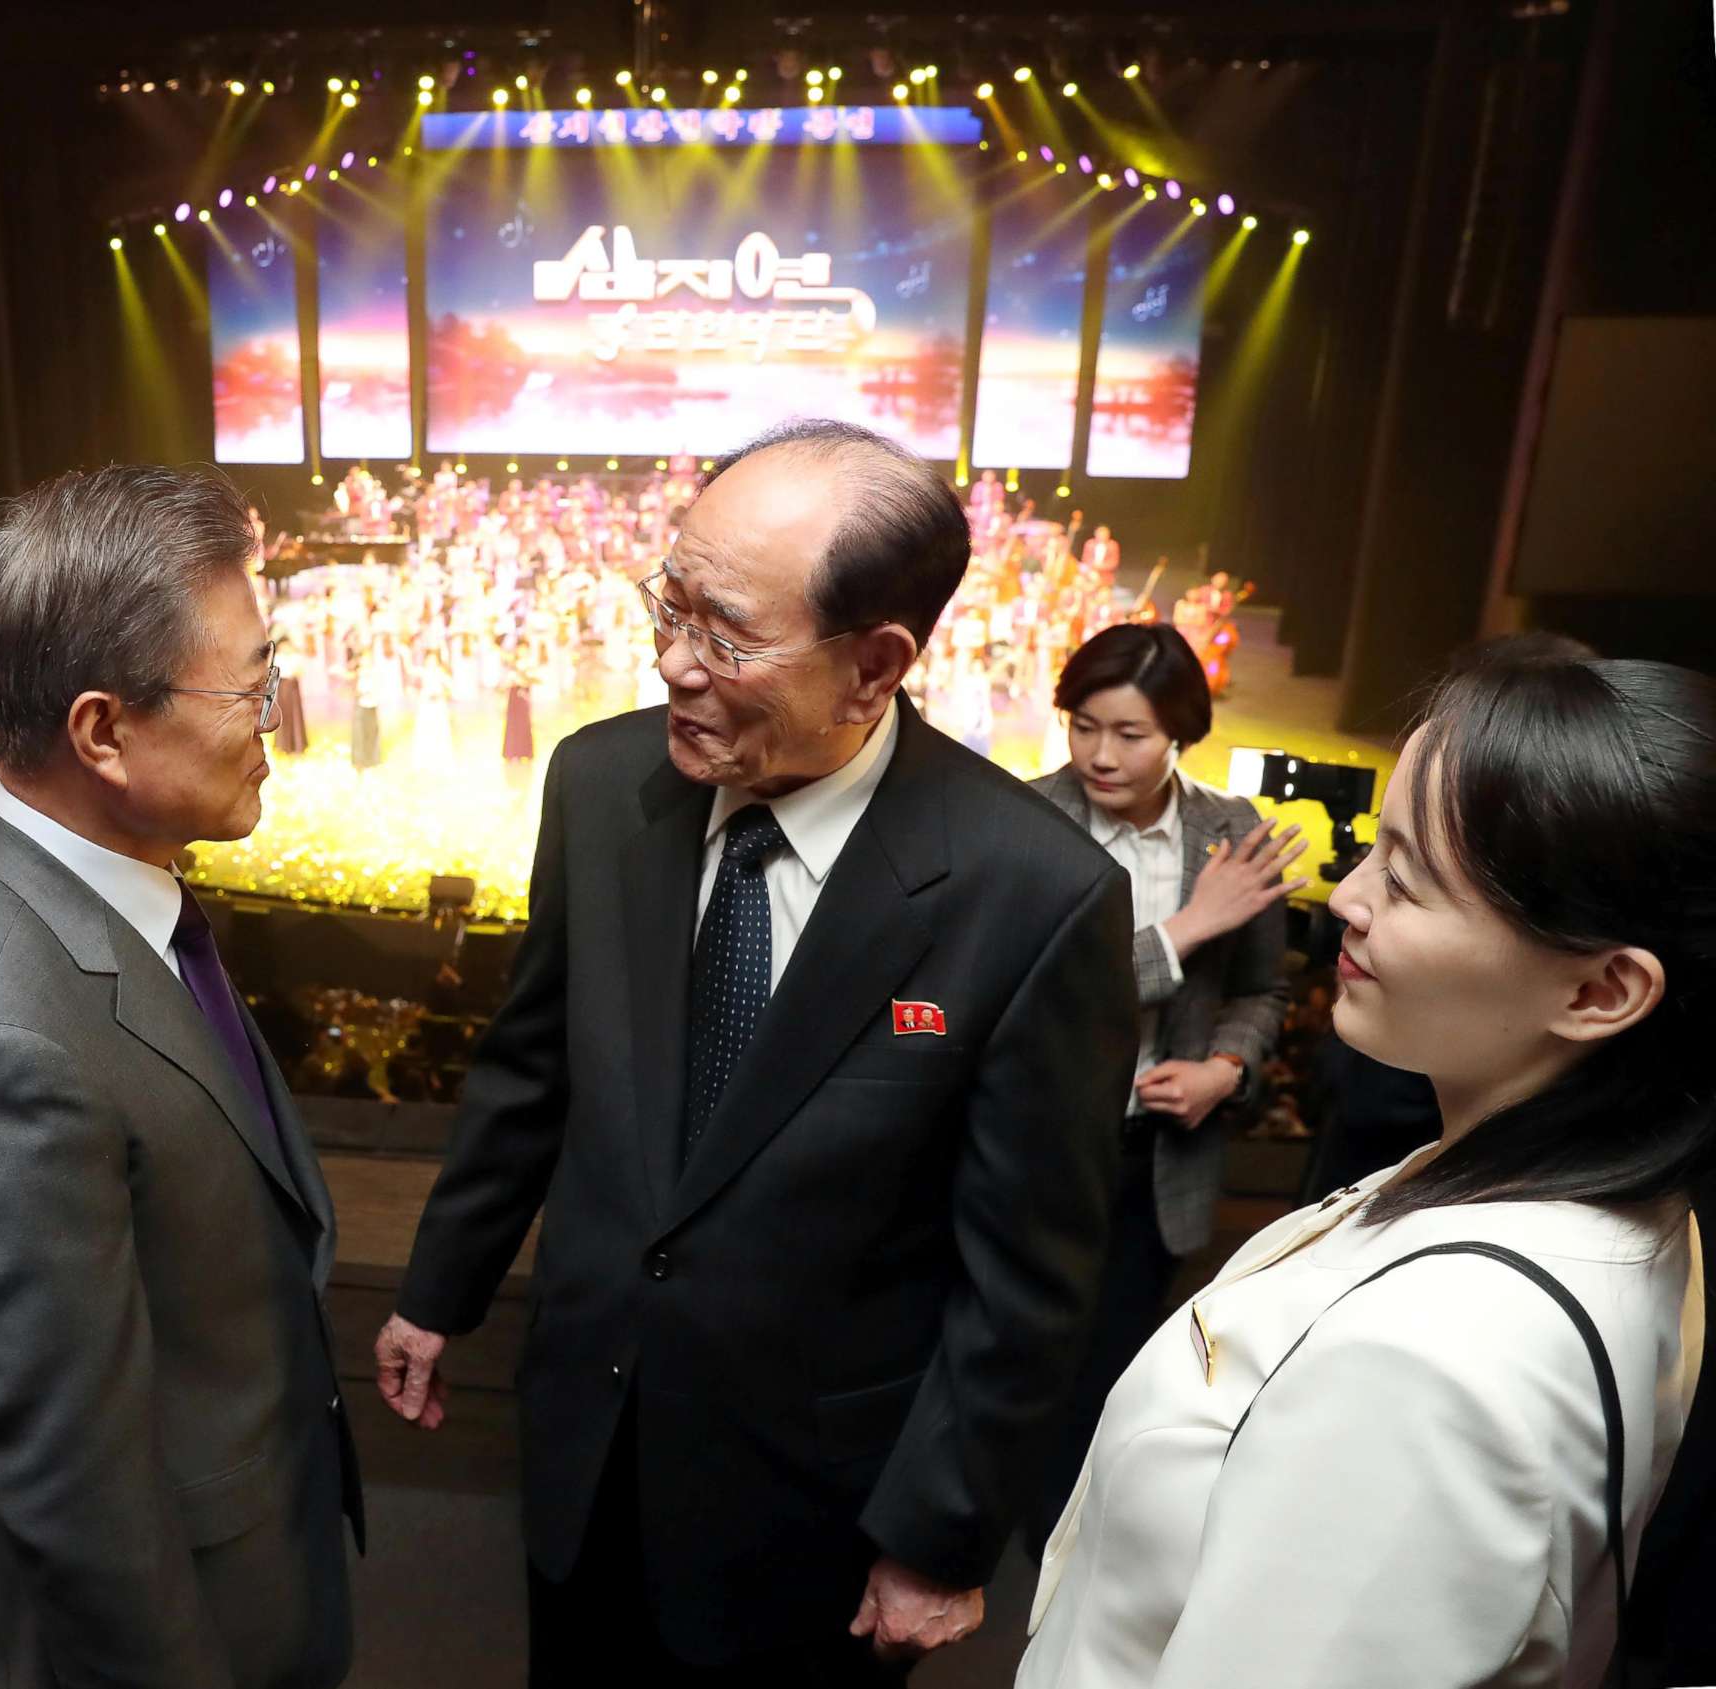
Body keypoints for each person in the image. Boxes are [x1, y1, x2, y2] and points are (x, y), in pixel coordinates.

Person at [375, 420, 1138, 1683]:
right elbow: (533, 1067)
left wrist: (939, 1535)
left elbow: (1027, 1273)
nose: (672, 662)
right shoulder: (602, 787)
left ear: (875, 664)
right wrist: (437, 1290)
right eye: (668, 606)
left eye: (726, 635)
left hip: (814, 1515)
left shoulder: (1028, 896)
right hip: (587, 1440)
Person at [1020, 643, 1713, 1689]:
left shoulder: (1431, 1366)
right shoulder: (1632, 1204)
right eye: (1374, 849)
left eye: (1411, 881)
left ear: (1600, 992)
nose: (1346, 898)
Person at [0, 464, 359, 1689]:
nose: (274, 710)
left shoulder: (118, 892)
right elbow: (74, 1497)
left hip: (256, 1553)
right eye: (249, 682)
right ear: (102, 730)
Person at [1019, 622, 1304, 1549]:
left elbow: (1264, 990)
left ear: (1181, 730)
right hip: (1037, 1148)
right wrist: (1183, 933)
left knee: (1121, 1360)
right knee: (1021, 1350)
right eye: (1083, 725)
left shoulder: (1232, 833)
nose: (1101, 754)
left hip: (1159, 1158)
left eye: (1130, 733)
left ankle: (1079, 1535)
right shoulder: (1020, 823)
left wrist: (1227, 1069)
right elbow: (1028, 993)